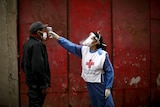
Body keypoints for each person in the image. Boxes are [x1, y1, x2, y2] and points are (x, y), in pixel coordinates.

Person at [48, 31, 114, 107]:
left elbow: (109, 70)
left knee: (105, 103)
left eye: (91, 38)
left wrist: (108, 87)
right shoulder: (84, 50)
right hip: (89, 82)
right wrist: (57, 37)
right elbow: (70, 46)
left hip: (100, 84)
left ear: (96, 42)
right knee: (95, 103)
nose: (88, 39)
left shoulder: (102, 55)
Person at [21, 21, 51, 107]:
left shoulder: (28, 43)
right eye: (43, 30)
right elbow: (37, 67)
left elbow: (23, 64)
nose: (45, 33)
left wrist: (30, 78)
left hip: (32, 85)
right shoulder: (37, 45)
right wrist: (43, 85)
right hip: (37, 86)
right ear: (38, 32)